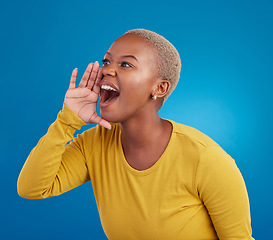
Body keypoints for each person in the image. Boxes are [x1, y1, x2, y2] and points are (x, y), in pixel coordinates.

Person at [17, 29, 254, 239]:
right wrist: (67, 120)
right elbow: (32, 188)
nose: (107, 70)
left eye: (126, 64)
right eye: (107, 61)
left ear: (159, 88)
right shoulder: (93, 145)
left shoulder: (206, 159)